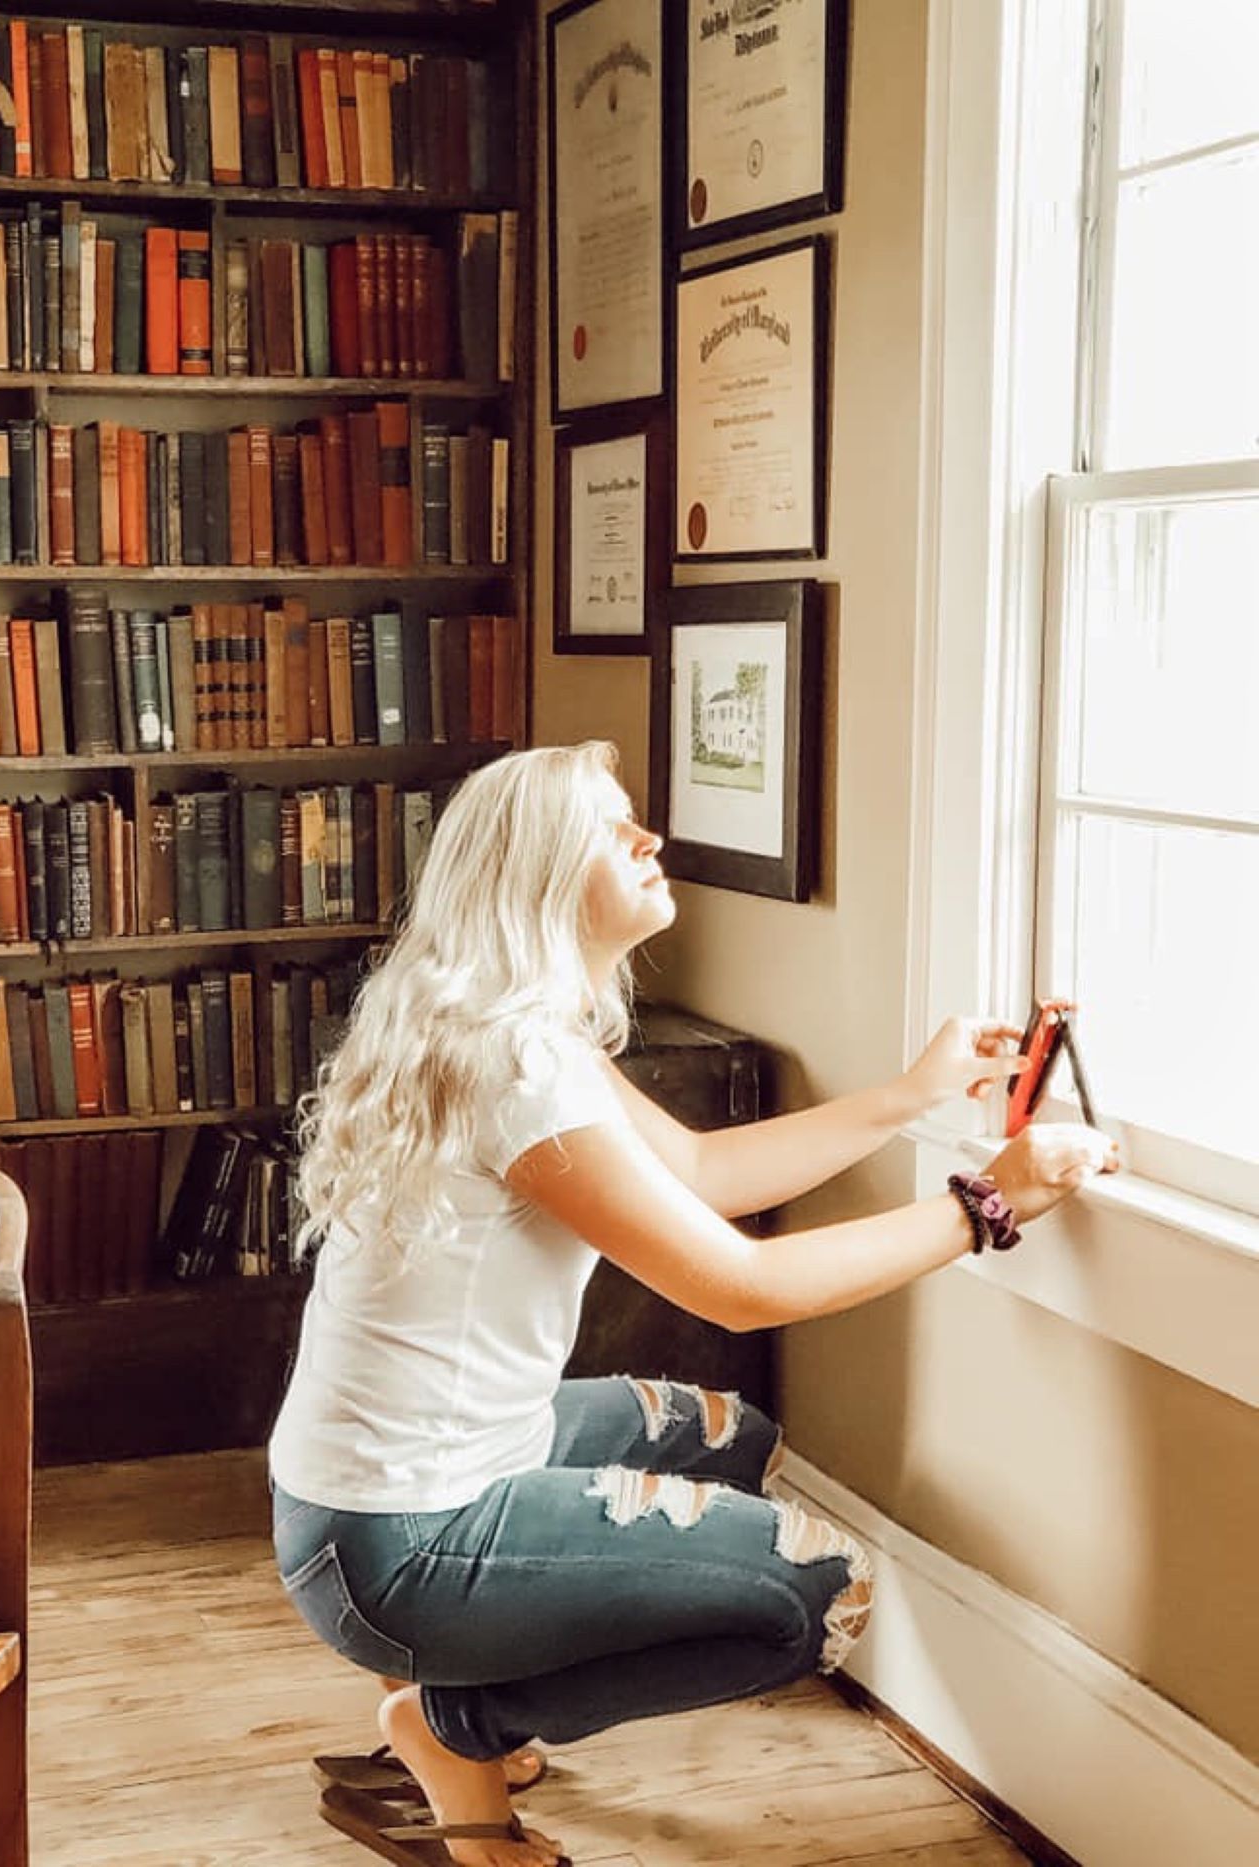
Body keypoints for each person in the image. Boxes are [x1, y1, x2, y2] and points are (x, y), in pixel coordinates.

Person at [269, 740, 1116, 1867]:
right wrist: (985, 1205)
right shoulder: (518, 1064)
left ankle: (457, 1682)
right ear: (538, 875)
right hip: (396, 1543)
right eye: (611, 829)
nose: (647, 838)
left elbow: (705, 1178)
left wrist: (906, 1097)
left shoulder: (509, 1023)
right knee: (822, 1591)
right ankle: (451, 1723)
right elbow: (741, 1288)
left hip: (356, 1498)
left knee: (730, 1437)